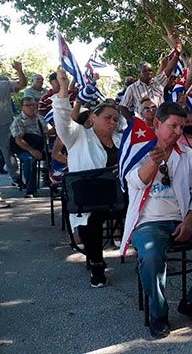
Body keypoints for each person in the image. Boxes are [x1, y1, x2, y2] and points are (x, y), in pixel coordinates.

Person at [120, 102, 192, 338]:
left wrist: (190, 221)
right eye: (173, 126)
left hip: (184, 219)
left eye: (181, 127)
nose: (178, 132)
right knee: (152, 255)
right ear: (156, 124)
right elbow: (133, 183)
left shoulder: (190, 156)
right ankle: (159, 313)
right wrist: (153, 162)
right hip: (149, 221)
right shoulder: (141, 150)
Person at [53, 67, 121, 286]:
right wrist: (64, 90)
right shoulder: (78, 136)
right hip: (89, 202)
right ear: (93, 117)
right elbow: (62, 120)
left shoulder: (121, 141)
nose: (112, 122)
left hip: (120, 196)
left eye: (116, 119)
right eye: (108, 117)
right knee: (93, 221)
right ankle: (97, 266)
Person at [118, 42, 182, 119]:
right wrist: (131, 121)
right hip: (143, 126)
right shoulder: (132, 88)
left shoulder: (158, 81)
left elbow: (169, 68)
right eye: (145, 71)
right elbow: (122, 107)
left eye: (150, 70)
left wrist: (177, 55)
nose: (148, 73)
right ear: (139, 73)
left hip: (160, 121)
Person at [10, 96, 50, 197]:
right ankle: (30, 190)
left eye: (34, 105)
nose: (32, 107)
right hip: (24, 149)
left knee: (57, 156)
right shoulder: (18, 121)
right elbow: (18, 140)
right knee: (29, 159)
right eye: (28, 105)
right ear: (22, 107)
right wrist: (32, 150)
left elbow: (49, 131)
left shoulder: (40, 119)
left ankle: (54, 182)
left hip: (40, 147)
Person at [0, 62, 28, 185]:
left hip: (4, 124)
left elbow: (22, 84)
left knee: (8, 151)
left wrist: (19, 70)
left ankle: (15, 178)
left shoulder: (3, 85)